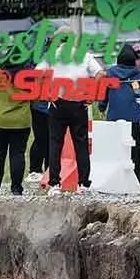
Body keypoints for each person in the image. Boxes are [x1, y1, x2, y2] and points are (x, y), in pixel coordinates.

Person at [36, 25, 104, 196]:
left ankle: (54, 184)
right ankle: (84, 184)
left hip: (57, 104)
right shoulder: (84, 55)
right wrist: (92, 94)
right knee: (81, 145)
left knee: (55, 144)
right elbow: (100, 74)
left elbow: (37, 74)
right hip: (79, 104)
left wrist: (47, 93)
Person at [0, 58, 32, 196]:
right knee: (18, 154)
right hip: (21, 121)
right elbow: (36, 96)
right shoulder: (28, 75)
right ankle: (16, 189)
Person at [98, 44, 140, 180]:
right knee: (134, 147)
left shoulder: (110, 74)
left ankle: (115, 177)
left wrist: (102, 107)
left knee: (115, 148)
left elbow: (104, 94)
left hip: (114, 116)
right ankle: (135, 177)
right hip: (133, 117)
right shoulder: (138, 74)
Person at [26, 100, 50, 184]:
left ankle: (49, 170)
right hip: (39, 108)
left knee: (51, 141)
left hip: (53, 108)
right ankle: (35, 170)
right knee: (40, 139)